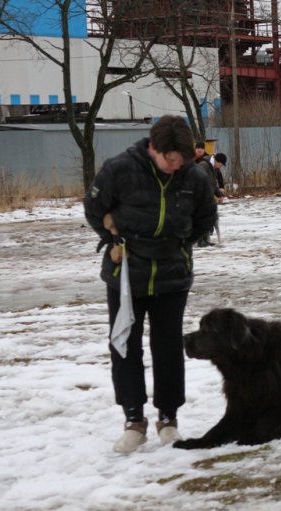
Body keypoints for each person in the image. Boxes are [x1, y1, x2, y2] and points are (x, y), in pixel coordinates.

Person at [83, 115, 218, 453]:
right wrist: (110, 238)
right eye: (169, 159)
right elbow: (93, 206)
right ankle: (133, 419)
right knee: (125, 344)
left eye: (181, 160)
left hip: (172, 274)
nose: (175, 166)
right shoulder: (120, 169)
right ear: (154, 149)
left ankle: (168, 418)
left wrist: (183, 242)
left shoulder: (195, 177)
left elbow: (206, 217)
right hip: (126, 272)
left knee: (168, 345)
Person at [195, 152, 228, 246]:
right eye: (221, 164)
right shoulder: (204, 165)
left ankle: (205, 240)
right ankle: (200, 240)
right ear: (217, 161)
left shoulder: (212, 167)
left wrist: (219, 194)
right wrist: (213, 197)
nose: (220, 167)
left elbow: (212, 184)